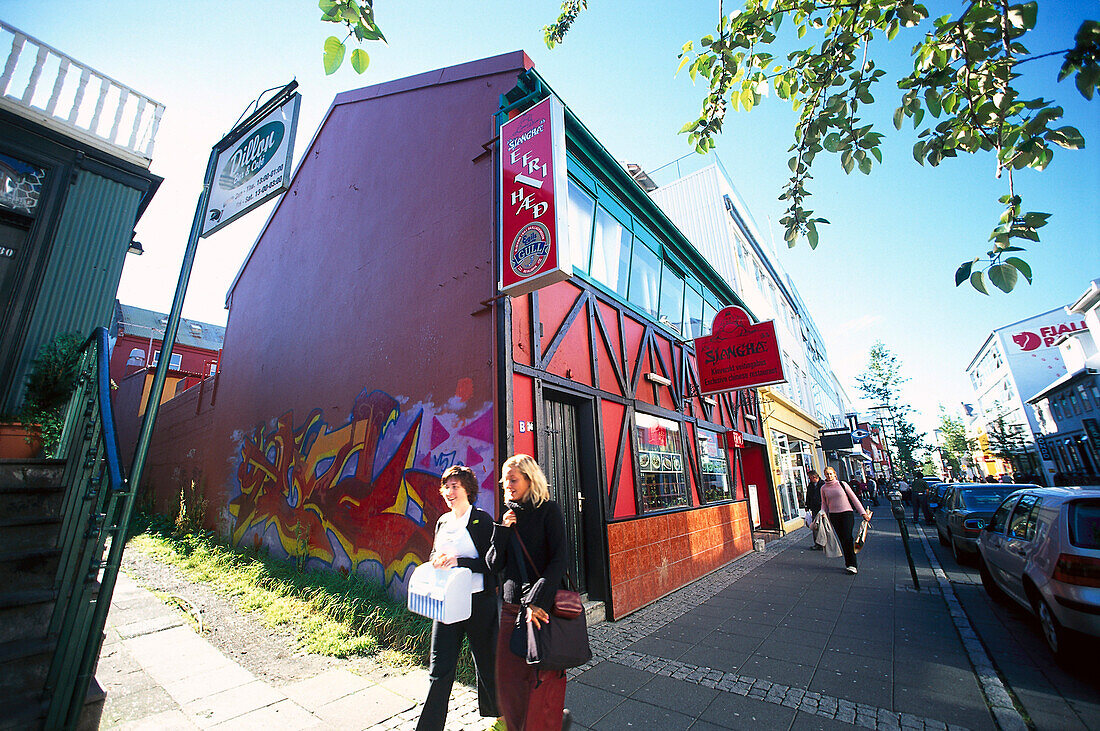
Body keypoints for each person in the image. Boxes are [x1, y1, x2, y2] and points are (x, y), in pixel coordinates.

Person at [488, 454, 571, 731]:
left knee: (541, 678)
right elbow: (493, 564)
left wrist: (537, 601)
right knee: (509, 678)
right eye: (504, 480)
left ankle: (545, 724)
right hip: (511, 609)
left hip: (540, 610)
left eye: (513, 479)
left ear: (529, 479)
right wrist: (502, 530)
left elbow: (559, 559)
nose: (507, 485)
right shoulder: (508, 515)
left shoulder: (549, 510)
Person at [416, 465, 500, 731]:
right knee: (439, 668)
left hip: (478, 604)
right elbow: (434, 553)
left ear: (468, 490)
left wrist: (459, 561)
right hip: (447, 605)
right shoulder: (442, 521)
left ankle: (501, 718)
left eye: (455, 486)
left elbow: (493, 564)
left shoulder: (482, 520)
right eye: (446, 487)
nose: (449, 492)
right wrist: (436, 560)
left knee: (487, 665)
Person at [820, 466, 872, 574]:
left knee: (848, 537)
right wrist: (822, 513)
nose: (829, 476)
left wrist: (863, 513)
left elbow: (854, 498)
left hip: (846, 514)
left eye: (830, 473)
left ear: (834, 474)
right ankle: (848, 563)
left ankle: (852, 564)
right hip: (834, 516)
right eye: (827, 474)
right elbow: (824, 503)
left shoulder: (842, 484)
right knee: (842, 539)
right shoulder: (823, 488)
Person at [805, 470, 823, 550]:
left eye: (810, 477)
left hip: (823, 508)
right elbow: (808, 496)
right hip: (814, 508)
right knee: (815, 526)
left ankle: (824, 543)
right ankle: (817, 543)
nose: (809, 479)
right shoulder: (810, 486)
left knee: (823, 526)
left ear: (814, 477)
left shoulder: (822, 485)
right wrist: (807, 505)